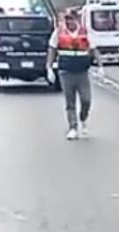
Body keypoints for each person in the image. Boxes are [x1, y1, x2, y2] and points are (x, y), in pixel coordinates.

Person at [46, 8, 99, 141]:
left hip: (82, 72)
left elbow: (93, 49)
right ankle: (73, 128)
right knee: (70, 102)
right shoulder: (58, 33)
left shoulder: (85, 32)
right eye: (67, 19)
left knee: (86, 100)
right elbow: (52, 49)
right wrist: (49, 67)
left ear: (77, 20)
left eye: (72, 19)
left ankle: (83, 118)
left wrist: (100, 66)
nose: (69, 22)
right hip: (66, 72)